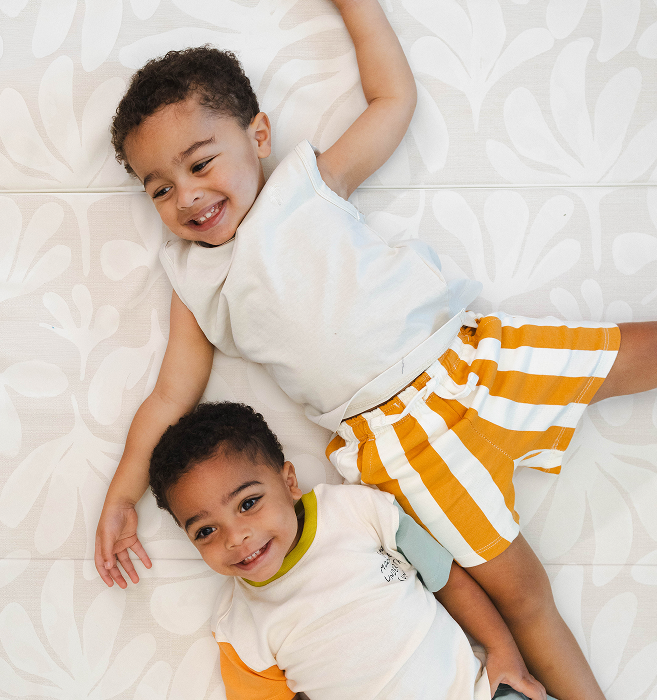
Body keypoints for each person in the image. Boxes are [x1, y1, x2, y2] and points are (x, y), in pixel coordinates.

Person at [94, 1, 657, 698]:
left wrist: (355, 7)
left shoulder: (307, 185)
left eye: (200, 163)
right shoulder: (195, 281)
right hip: (404, 448)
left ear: (258, 135)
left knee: (637, 350)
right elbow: (169, 397)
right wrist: (122, 493)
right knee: (524, 595)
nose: (186, 196)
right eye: (160, 189)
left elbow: (393, 99)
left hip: (471, 361)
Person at [148, 401, 550, 700]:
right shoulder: (239, 626)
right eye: (205, 531)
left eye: (248, 503)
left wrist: (502, 650)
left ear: (289, 482)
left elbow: (447, 579)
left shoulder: (355, 510)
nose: (235, 538)